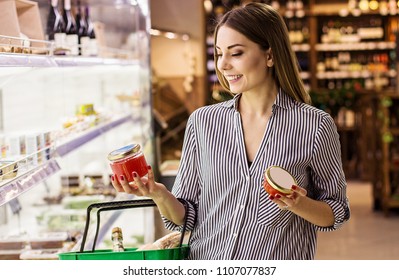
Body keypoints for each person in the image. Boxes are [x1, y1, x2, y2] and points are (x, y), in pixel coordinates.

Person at [111, 2, 350, 260]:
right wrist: (159, 194)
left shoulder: (314, 125)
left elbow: (335, 212)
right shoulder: (203, 122)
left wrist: (298, 204)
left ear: (270, 55)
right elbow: (186, 217)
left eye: (235, 53)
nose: (223, 65)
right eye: (219, 53)